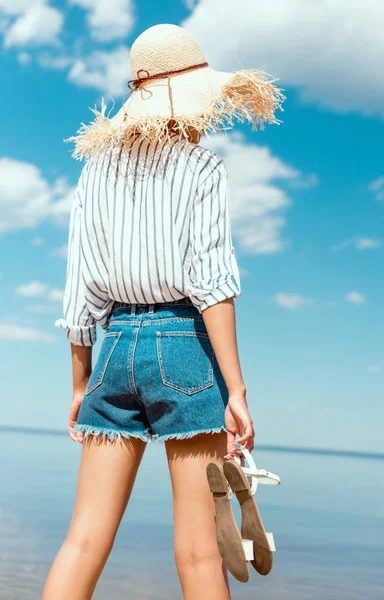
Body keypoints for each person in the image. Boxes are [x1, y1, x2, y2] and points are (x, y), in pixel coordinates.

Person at [42, 23, 283, 600]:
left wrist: (79, 381)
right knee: (200, 553)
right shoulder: (202, 168)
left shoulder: (93, 172)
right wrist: (236, 389)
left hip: (114, 347)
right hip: (183, 345)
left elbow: (79, 290)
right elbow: (211, 285)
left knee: (82, 541)